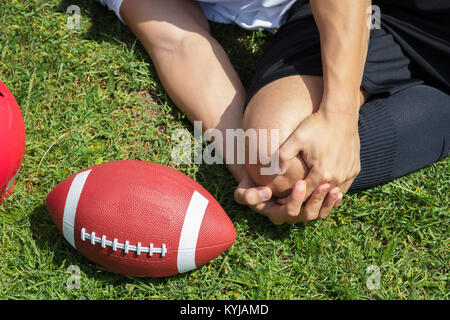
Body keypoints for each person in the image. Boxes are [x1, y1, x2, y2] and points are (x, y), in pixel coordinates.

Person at [98, 0, 450, 225]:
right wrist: (256, 172)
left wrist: (339, 115)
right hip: (324, 15)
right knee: (279, 162)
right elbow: (178, 43)